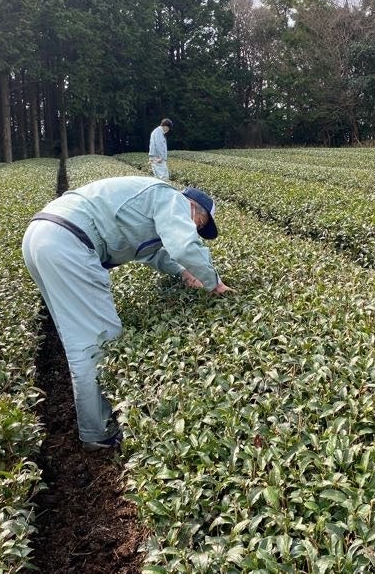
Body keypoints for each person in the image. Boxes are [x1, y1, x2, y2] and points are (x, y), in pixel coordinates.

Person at [22, 177, 232, 451]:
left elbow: (154, 254)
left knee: (79, 340)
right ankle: (99, 433)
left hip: (43, 235)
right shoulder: (173, 199)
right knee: (99, 343)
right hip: (69, 242)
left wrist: (184, 271)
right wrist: (213, 281)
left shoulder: (151, 205)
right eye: (199, 223)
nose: (193, 228)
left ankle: (95, 428)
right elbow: (183, 246)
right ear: (192, 207)